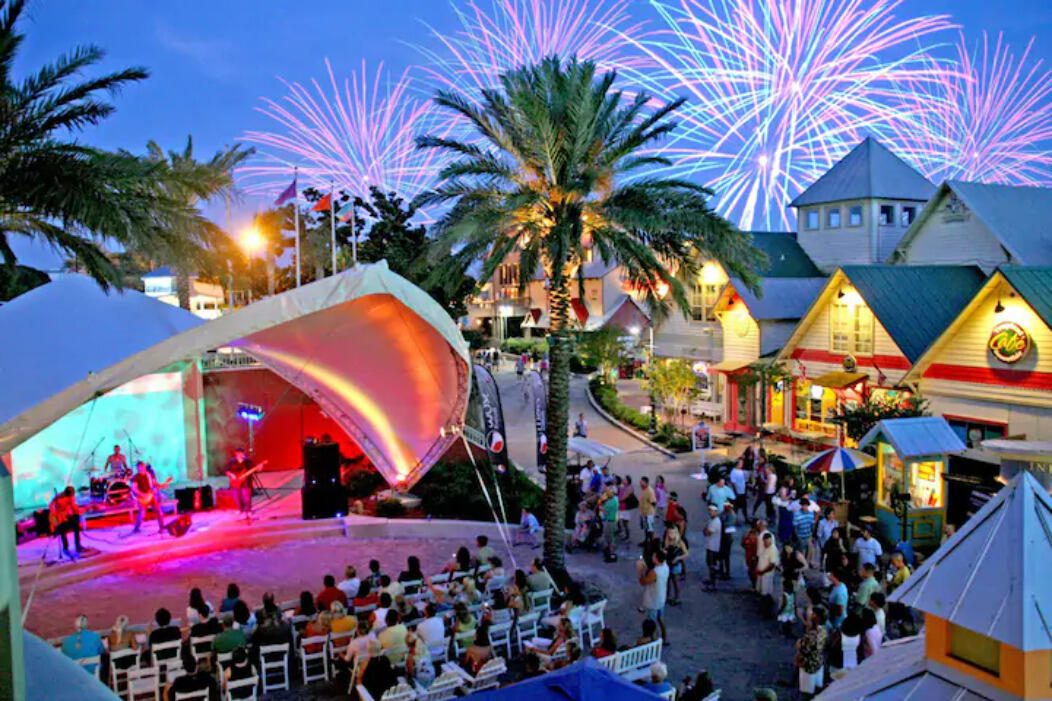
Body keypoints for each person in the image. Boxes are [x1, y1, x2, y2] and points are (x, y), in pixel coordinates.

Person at [795, 608, 828, 699]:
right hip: (818, 662)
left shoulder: (812, 635)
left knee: (807, 694)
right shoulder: (824, 630)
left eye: (813, 613)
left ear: (816, 617)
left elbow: (800, 646)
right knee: (817, 689)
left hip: (808, 665)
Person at [637, 549, 669, 643]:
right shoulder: (665, 566)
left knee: (651, 624)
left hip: (653, 601)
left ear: (657, 559)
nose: (652, 557)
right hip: (661, 598)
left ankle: (652, 642)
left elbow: (643, 582)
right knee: (660, 619)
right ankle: (664, 638)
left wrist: (640, 572)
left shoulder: (655, 572)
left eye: (654, 556)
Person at [130, 461, 166, 534]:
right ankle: (136, 528)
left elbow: (154, 483)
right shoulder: (136, 477)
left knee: (159, 511)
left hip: (151, 497)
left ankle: (162, 528)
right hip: (142, 498)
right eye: (139, 468)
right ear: (137, 468)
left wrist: (161, 485)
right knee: (142, 514)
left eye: (142, 467)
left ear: (145, 467)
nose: (141, 469)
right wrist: (143, 494)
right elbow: (134, 488)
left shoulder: (149, 475)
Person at [226, 447, 255, 521]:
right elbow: (227, 471)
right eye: (238, 453)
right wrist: (231, 475)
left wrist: (259, 468)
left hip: (246, 482)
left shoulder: (247, 461)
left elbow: (253, 469)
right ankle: (240, 510)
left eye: (241, 453)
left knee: (247, 497)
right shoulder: (232, 461)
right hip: (235, 482)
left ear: (243, 453)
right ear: (236, 454)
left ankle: (248, 511)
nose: (240, 454)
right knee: (237, 497)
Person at [663, 527, 688, 605]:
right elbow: (665, 550)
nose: (671, 534)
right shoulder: (667, 541)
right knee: (667, 581)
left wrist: (678, 558)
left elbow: (686, 554)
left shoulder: (680, 542)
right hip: (668, 563)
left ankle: (677, 597)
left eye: (672, 533)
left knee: (675, 581)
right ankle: (667, 596)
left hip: (676, 564)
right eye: (669, 533)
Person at [598, 480, 619, 562]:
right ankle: (610, 553)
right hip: (611, 521)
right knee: (610, 538)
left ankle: (611, 554)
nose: (607, 493)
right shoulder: (614, 499)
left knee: (609, 539)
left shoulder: (612, 501)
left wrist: (600, 506)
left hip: (610, 521)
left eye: (608, 492)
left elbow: (604, 510)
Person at [755, 532, 780, 601]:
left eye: (767, 542)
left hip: (767, 574)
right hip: (761, 573)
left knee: (766, 591)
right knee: (761, 590)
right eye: (765, 542)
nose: (766, 543)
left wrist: (763, 571)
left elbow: (772, 564)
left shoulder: (773, 550)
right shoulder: (764, 548)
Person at [703, 503, 722, 590]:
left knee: (712, 565)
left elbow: (707, 532)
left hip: (713, 547)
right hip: (710, 545)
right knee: (709, 564)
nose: (710, 512)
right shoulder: (711, 520)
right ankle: (711, 580)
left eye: (711, 511)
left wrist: (705, 530)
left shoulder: (715, 522)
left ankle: (713, 584)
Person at [719, 501, 737, 579]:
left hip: (727, 537)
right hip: (722, 536)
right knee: (721, 555)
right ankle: (721, 570)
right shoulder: (723, 513)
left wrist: (721, 523)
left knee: (726, 555)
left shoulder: (732, 515)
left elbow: (728, 524)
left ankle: (727, 572)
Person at [638, 476, 657, 542]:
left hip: (649, 513)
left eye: (642, 482)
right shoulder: (643, 489)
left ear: (646, 483)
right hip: (644, 513)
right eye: (640, 482)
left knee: (650, 529)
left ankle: (652, 542)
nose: (640, 484)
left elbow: (654, 502)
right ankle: (646, 541)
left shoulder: (650, 491)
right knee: (645, 528)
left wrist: (653, 513)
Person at [742, 519, 761, 586]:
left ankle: (755, 583)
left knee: (754, 570)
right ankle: (754, 583)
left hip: (755, 554)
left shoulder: (760, 534)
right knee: (752, 570)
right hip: (751, 555)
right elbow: (743, 543)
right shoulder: (748, 534)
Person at [618, 475, 638, 541]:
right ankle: (622, 532)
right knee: (621, 521)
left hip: (625, 508)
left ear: (627, 481)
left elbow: (623, 498)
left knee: (625, 523)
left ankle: (627, 536)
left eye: (624, 479)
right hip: (621, 507)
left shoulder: (629, 488)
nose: (623, 480)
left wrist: (615, 500)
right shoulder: (623, 486)